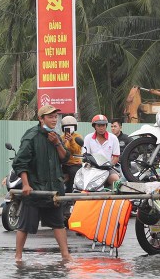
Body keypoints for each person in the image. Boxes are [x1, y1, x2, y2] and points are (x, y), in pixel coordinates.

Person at [12, 105, 72, 262]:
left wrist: (57, 143)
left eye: (55, 117)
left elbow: (65, 158)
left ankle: (65, 255)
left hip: (53, 190)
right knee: (24, 225)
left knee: (59, 224)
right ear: (41, 118)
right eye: (50, 117)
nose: (54, 120)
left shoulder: (55, 136)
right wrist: (25, 184)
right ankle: (18, 256)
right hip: (35, 189)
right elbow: (20, 162)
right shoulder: (31, 136)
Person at [83, 114, 121, 186]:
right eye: (99, 125)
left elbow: (116, 157)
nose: (101, 128)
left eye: (103, 125)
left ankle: (117, 197)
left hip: (108, 168)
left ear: (106, 126)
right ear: (94, 126)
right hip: (92, 169)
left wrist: (109, 165)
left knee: (115, 180)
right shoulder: (88, 138)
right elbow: (85, 155)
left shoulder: (113, 138)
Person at [60, 116, 83, 192]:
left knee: (73, 176)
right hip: (64, 163)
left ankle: (72, 194)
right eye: (67, 127)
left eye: (71, 127)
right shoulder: (61, 137)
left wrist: (71, 141)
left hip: (74, 163)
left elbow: (76, 150)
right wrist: (62, 143)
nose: (69, 129)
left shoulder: (77, 137)